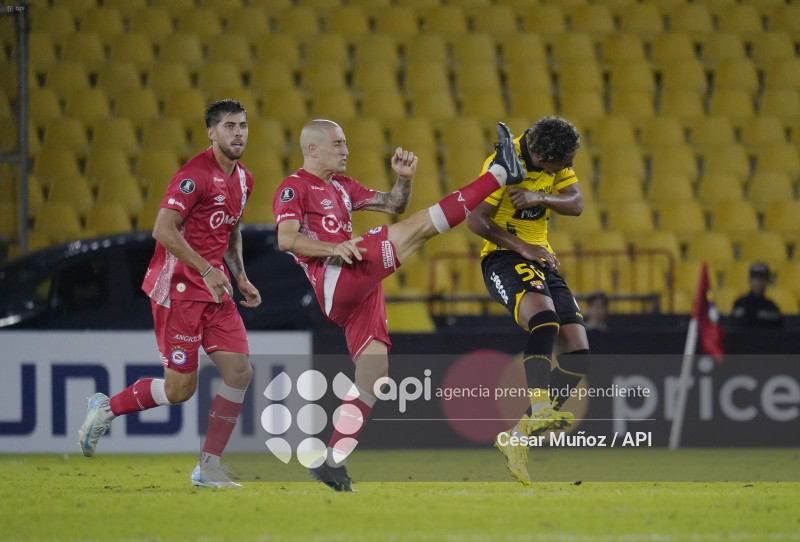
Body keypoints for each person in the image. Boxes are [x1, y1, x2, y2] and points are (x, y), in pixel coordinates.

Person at [272, 119, 526, 491]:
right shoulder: (293, 187)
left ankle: (332, 461)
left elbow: (392, 205)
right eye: (338, 144)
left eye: (345, 143)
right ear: (312, 150)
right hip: (335, 274)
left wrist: (403, 181)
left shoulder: (342, 186)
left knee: (374, 376)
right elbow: (285, 239)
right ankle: (502, 171)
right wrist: (333, 248)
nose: (345, 150)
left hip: (359, 289)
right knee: (420, 229)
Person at [78, 99, 262, 488]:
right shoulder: (193, 175)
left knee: (240, 371)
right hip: (177, 289)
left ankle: (208, 467)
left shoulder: (244, 179)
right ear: (211, 133)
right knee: (180, 390)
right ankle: (106, 409)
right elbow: (162, 229)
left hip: (215, 290)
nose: (238, 133)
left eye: (243, 125)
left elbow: (231, 229)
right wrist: (208, 269)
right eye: (229, 126)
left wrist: (239, 274)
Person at [466, 116, 591, 486]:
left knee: (578, 355)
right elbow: (475, 220)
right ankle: (539, 406)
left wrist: (539, 196)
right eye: (562, 164)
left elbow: (577, 204)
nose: (567, 168)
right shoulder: (501, 165)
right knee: (545, 320)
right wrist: (523, 246)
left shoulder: (556, 161)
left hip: (541, 256)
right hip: (505, 256)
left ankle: (516, 438)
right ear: (539, 155)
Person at [729, 262, 783, 328]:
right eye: (755, 278)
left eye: (762, 279)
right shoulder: (739, 303)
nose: (758, 282)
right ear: (749, 280)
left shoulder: (772, 308)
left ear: (767, 281)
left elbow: (778, 333)